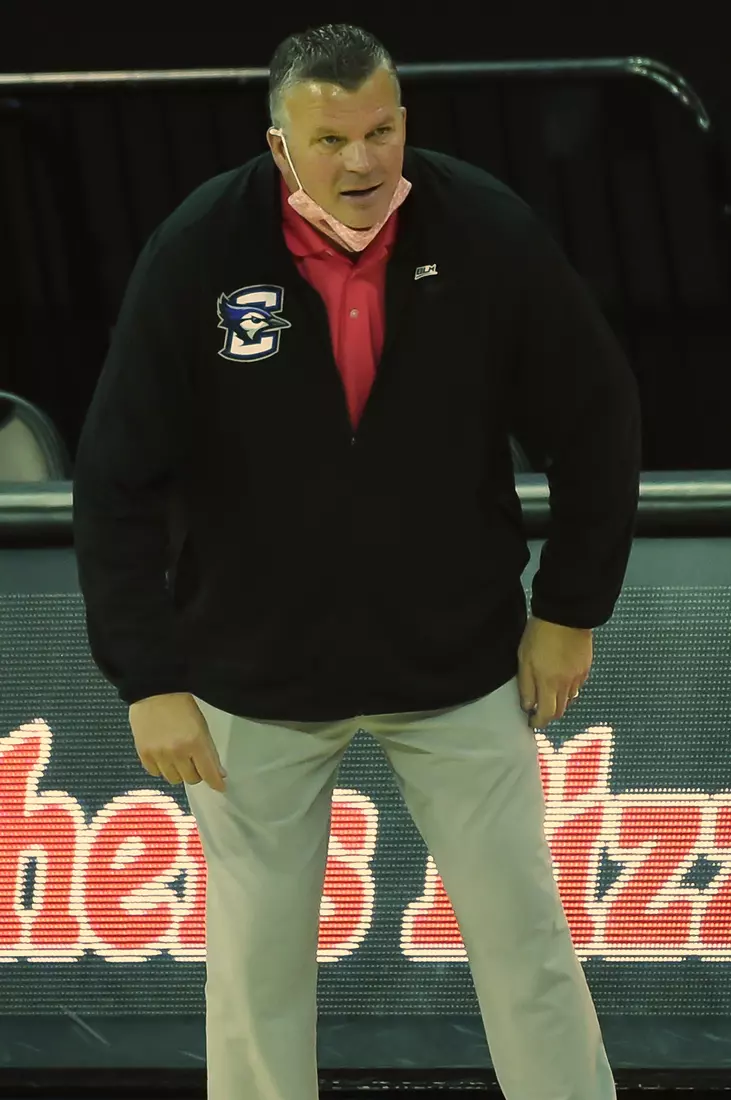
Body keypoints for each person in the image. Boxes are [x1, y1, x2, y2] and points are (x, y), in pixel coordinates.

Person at [72, 22, 641, 1100]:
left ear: (404, 121)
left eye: (381, 129)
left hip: (457, 661)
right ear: (280, 143)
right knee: (255, 969)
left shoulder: (483, 229)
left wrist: (568, 607)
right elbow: (114, 479)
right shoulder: (200, 249)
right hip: (253, 672)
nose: (363, 161)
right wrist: (146, 675)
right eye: (331, 137)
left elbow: (597, 416)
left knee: (525, 944)